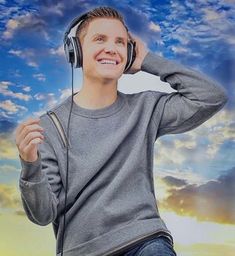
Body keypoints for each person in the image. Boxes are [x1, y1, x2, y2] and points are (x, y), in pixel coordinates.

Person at [15, 6, 228, 256]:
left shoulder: (146, 108)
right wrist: (30, 165)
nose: (111, 48)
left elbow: (212, 97)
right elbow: (42, 215)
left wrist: (148, 61)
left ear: (128, 53)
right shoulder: (50, 127)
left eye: (121, 42)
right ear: (75, 51)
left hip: (144, 241)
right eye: (99, 39)